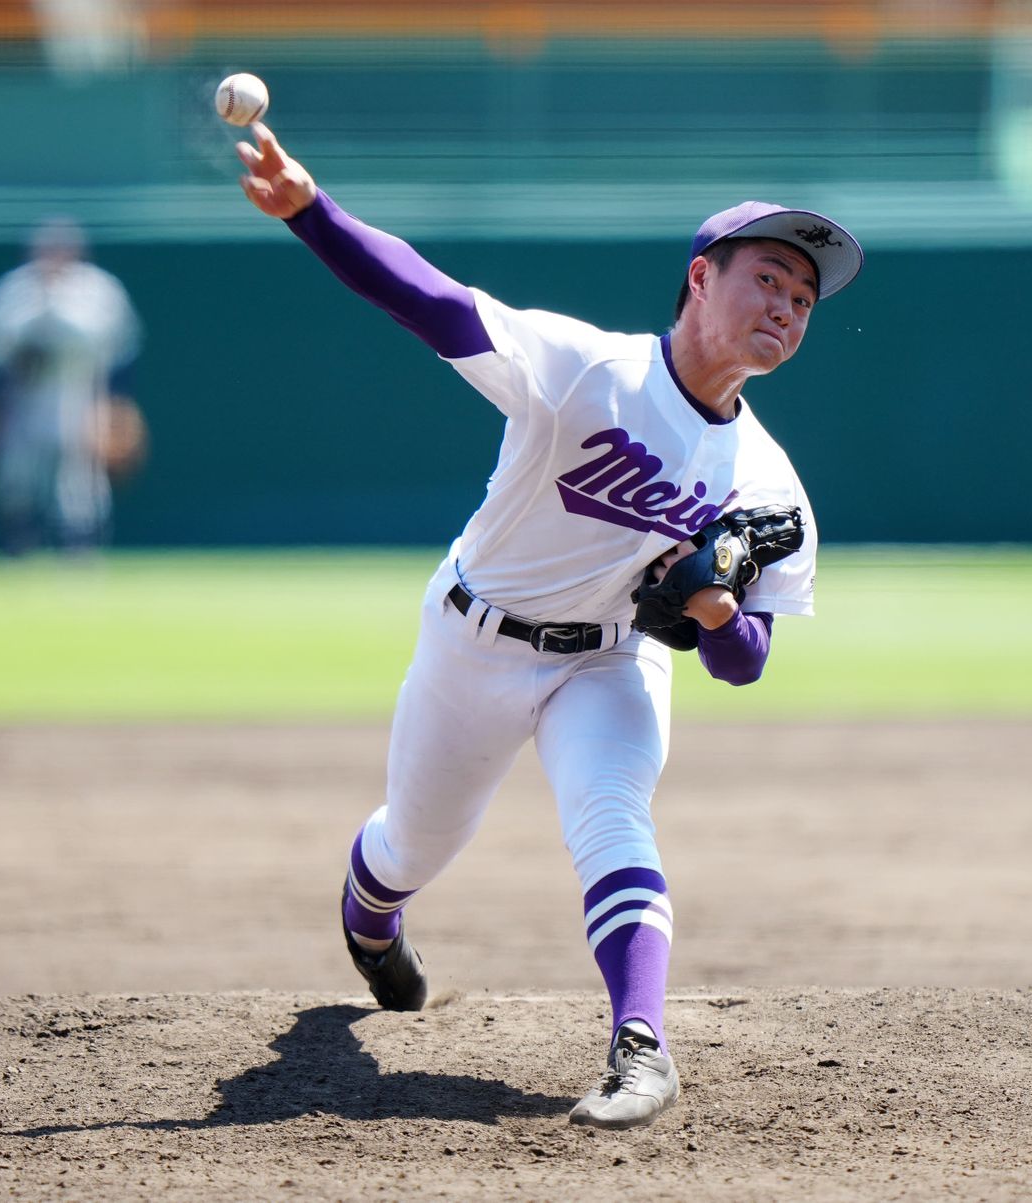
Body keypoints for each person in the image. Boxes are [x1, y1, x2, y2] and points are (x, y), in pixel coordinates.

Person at [235, 123, 862, 1130]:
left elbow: (746, 664)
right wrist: (311, 212)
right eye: (769, 280)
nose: (787, 309)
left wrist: (712, 611)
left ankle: (642, 1048)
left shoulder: (769, 481)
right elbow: (429, 302)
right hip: (476, 637)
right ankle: (373, 917)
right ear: (702, 278)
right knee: (415, 842)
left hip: (610, 662)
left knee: (613, 817)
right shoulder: (586, 369)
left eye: (804, 300)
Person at [0, 217, 144, 556]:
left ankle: (80, 554)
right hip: (23, 394)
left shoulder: (97, 290)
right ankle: (17, 549)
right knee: (15, 475)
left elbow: (122, 349)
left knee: (80, 480)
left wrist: (117, 405)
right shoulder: (15, 290)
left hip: (80, 390)